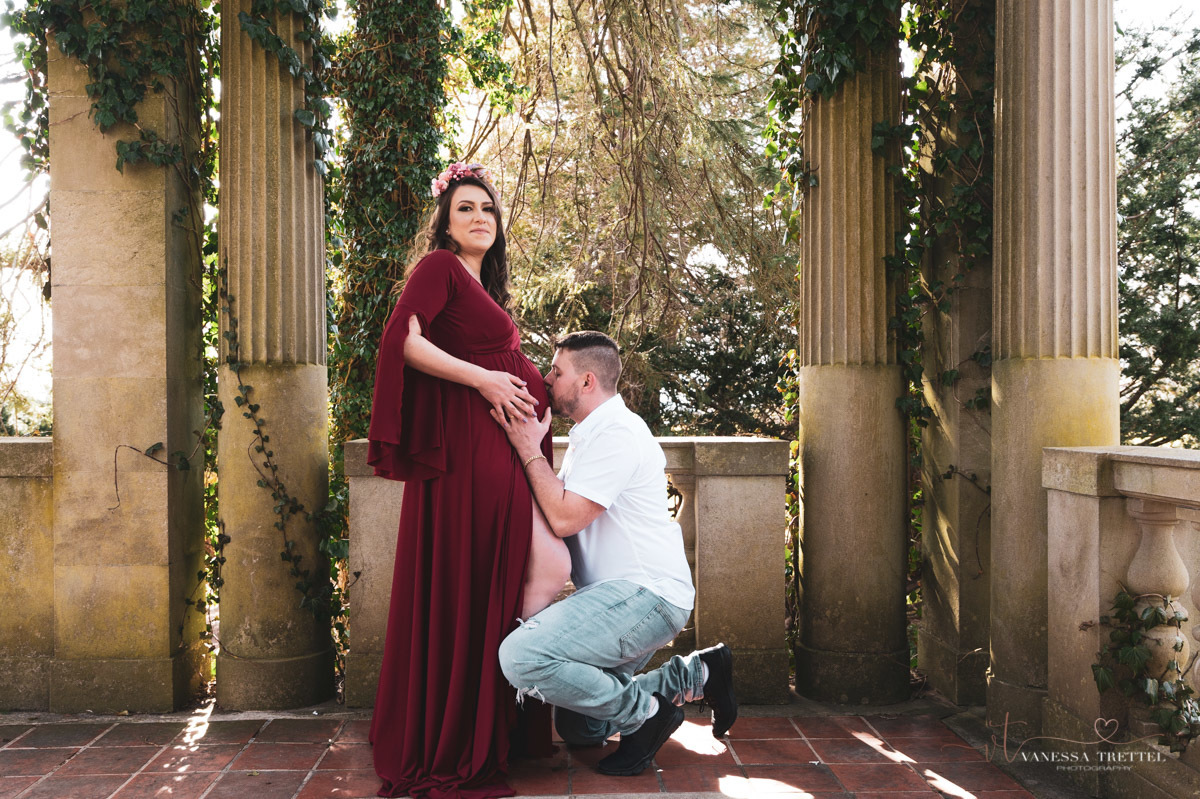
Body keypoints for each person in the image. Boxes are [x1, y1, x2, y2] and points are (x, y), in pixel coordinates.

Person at [366, 162, 572, 799]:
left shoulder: (482, 286)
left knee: (511, 580)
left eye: (487, 207)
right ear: (446, 223)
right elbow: (402, 341)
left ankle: (500, 724)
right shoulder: (439, 268)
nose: (479, 216)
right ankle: (460, 734)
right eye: (464, 208)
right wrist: (485, 380)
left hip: (502, 452)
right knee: (482, 579)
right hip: (470, 458)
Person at [491, 331, 738, 777]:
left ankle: (646, 715)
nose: (547, 378)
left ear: (587, 381)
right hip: (621, 599)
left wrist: (528, 449)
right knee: (581, 725)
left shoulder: (618, 433)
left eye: (556, 370)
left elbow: (565, 519)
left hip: (647, 597)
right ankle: (696, 674)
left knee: (520, 657)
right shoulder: (591, 433)